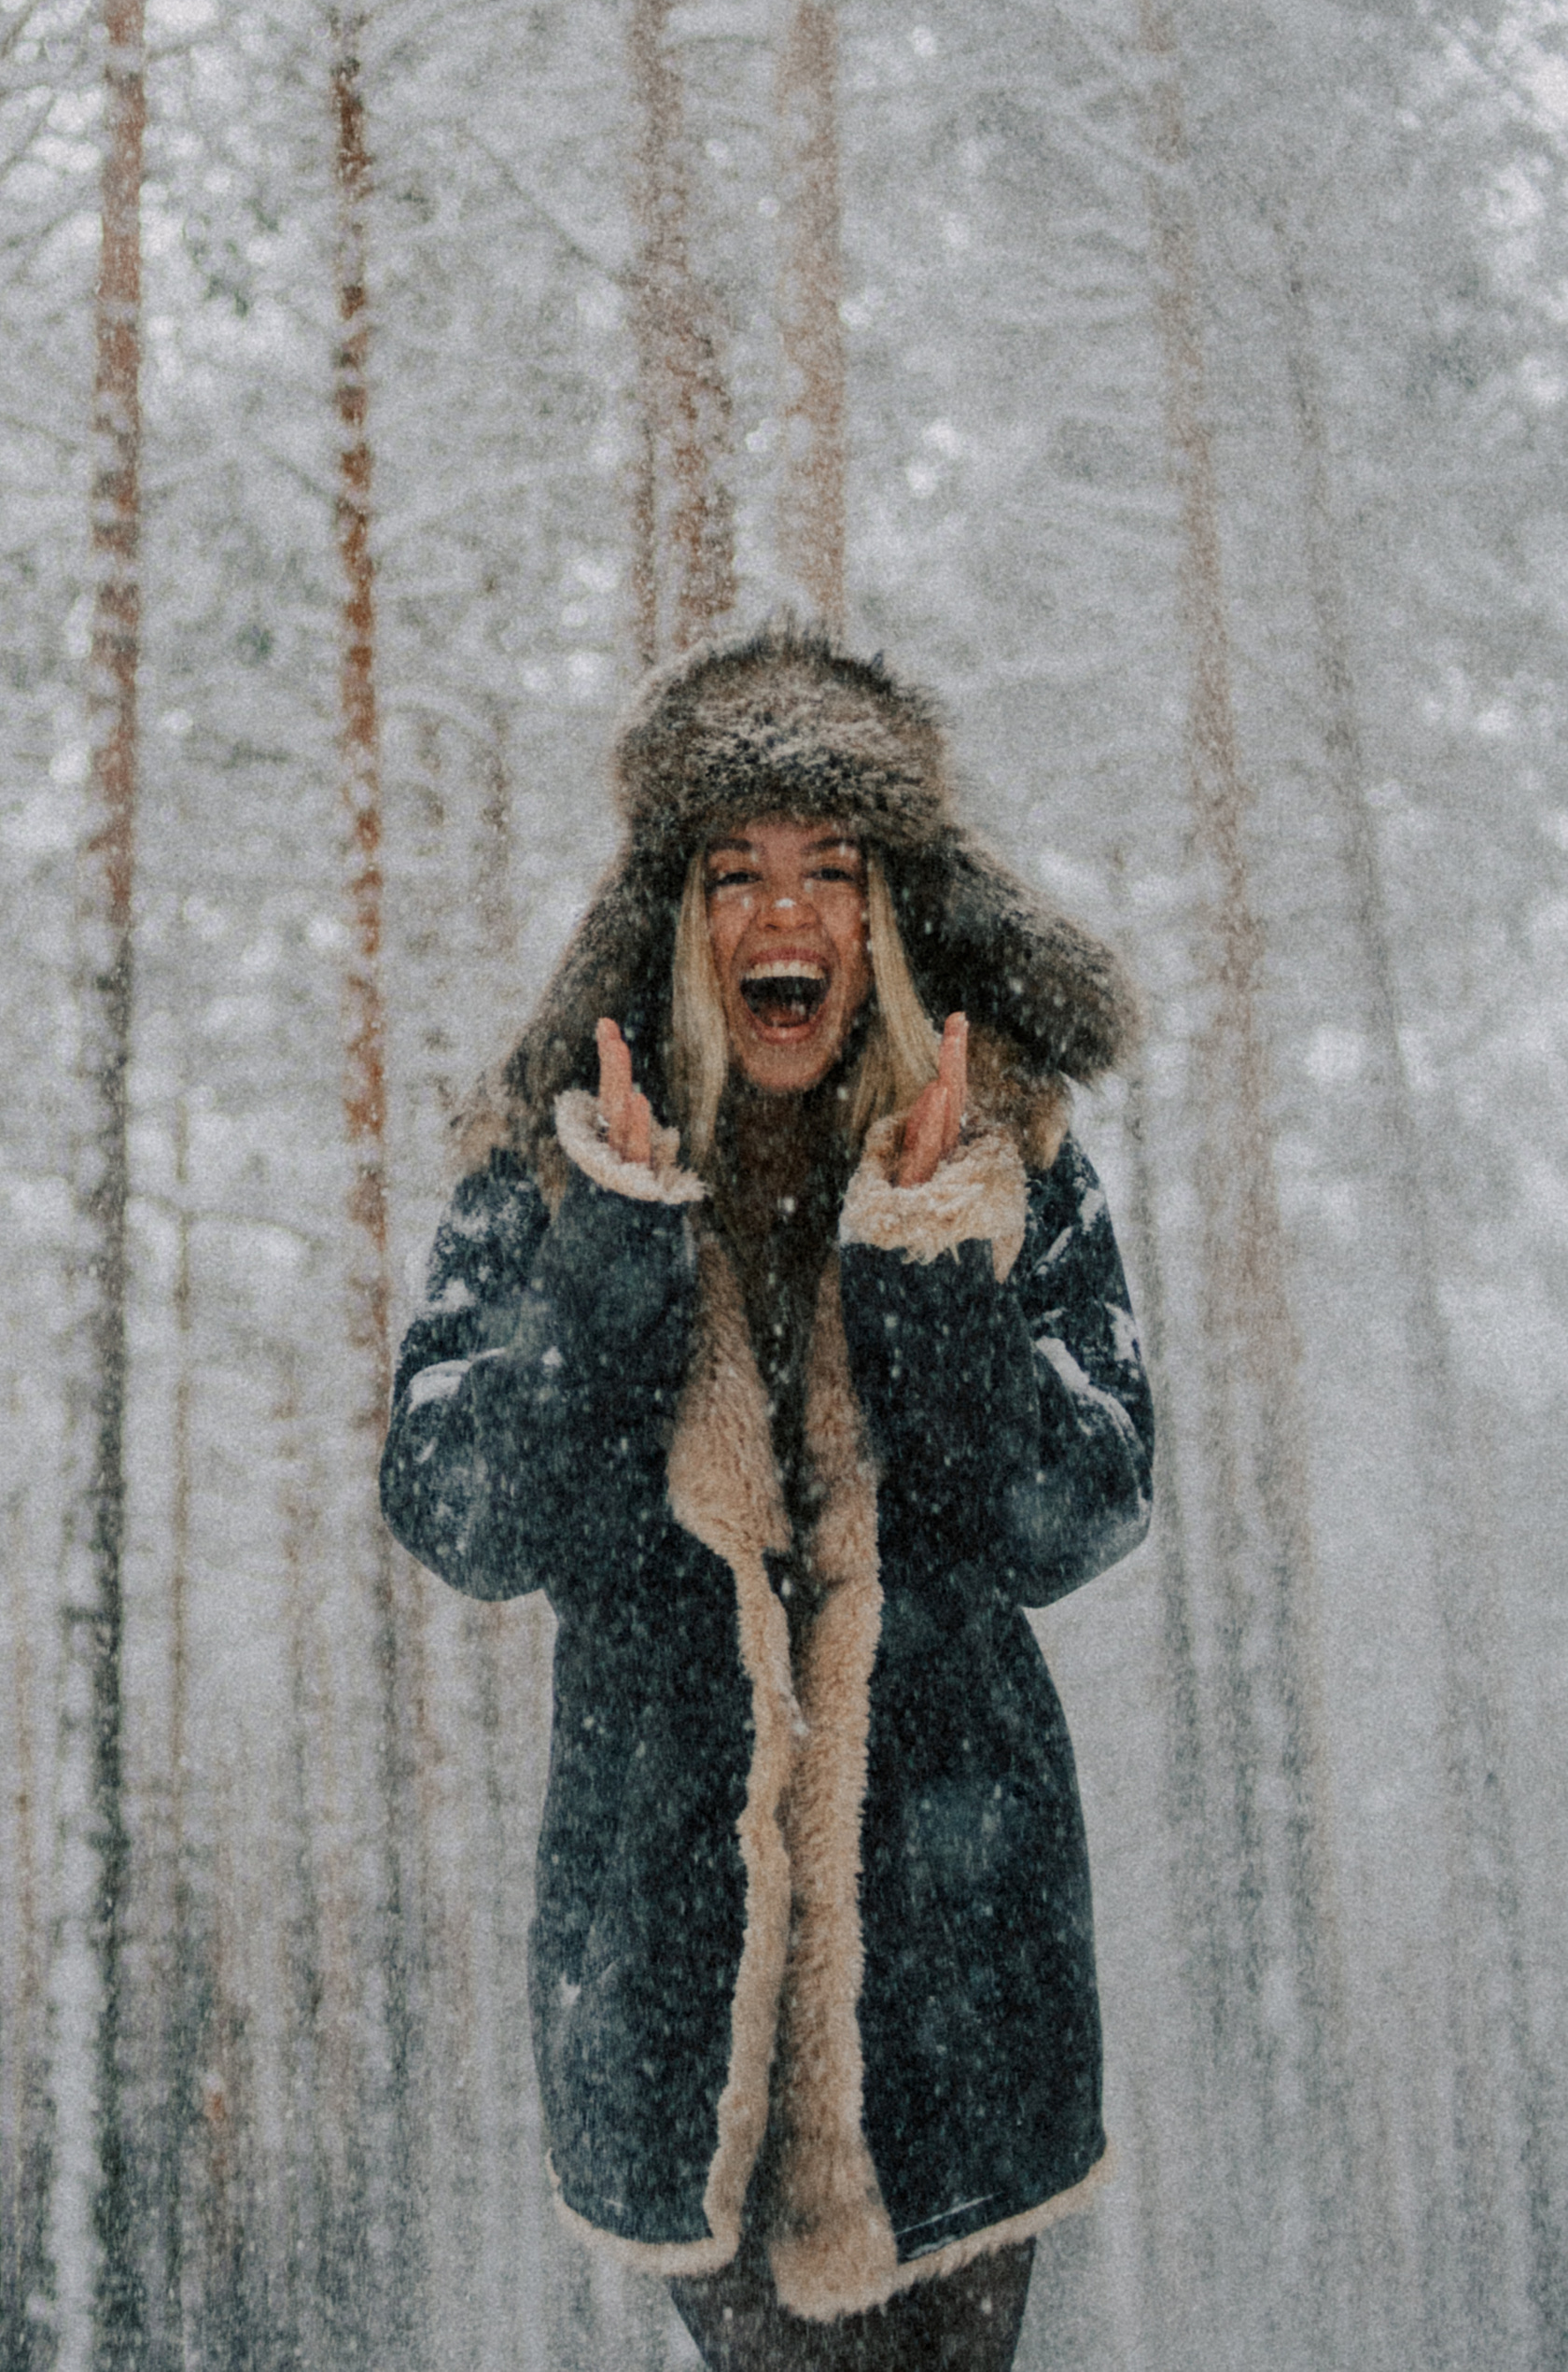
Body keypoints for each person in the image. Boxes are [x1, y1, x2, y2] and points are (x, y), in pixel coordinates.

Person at [381, 625, 1152, 2372]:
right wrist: (619, 1255)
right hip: (676, 2011)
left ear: (890, 914)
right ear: (676, 912)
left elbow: (1082, 1509)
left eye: (832, 870)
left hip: (964, 1998)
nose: (782, 912)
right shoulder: (561, 1158)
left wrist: (929, 1261)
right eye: (736, 872)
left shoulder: (1006, 1146)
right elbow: (461, 1512)